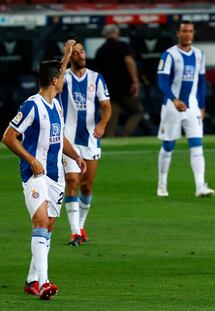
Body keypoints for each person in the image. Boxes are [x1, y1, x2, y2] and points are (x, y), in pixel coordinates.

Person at [2, 59, 86, 299]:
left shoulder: (57, 105)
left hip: (55, 176)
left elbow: (60, 138)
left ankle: (31, 280)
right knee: (40, 222)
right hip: (34, 174)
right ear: (55, 80)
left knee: (48, 226)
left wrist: (76, 156)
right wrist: (31, 160)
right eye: (62, 76)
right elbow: (8, 137)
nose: (65, 80)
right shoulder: (31, 106)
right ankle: (44, 282)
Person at [60, 39, 112, 246]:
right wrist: (65, 53)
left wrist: (102, 123)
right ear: (70, 57)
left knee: (87, 186)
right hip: (69, 139)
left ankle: (80, 225)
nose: (81, 56)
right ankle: (74, 232)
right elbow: (54, 77)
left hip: (90, 139)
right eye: (75, 53)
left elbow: (106, 106)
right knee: (72, 181)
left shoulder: (96, 78)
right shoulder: (63, 78)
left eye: (82, 52)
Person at [156, 20, 215, 197]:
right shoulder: (169, 55)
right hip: (172, 107)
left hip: (192, 107)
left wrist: (202, 106)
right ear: (178, 33)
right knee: (168, 145)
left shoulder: (199, 55)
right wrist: (173, 99)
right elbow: (162, 81)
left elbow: (202, 81)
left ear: (193, 33)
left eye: (190, 31)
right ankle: (162, 184)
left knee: (197, 144)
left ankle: (200, 187)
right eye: (184, 31)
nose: (187, 34)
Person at [95, 24, 143, 137]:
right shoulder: (123, 46)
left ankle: (111, 140)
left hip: (109, 89)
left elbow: (98, 73)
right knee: (138, 110)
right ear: (117, 33)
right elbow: (129, 62)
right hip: (126, 87)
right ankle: (125, 133)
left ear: (104, 35)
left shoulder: (100, 50)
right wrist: (135, 81)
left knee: (111, 116)